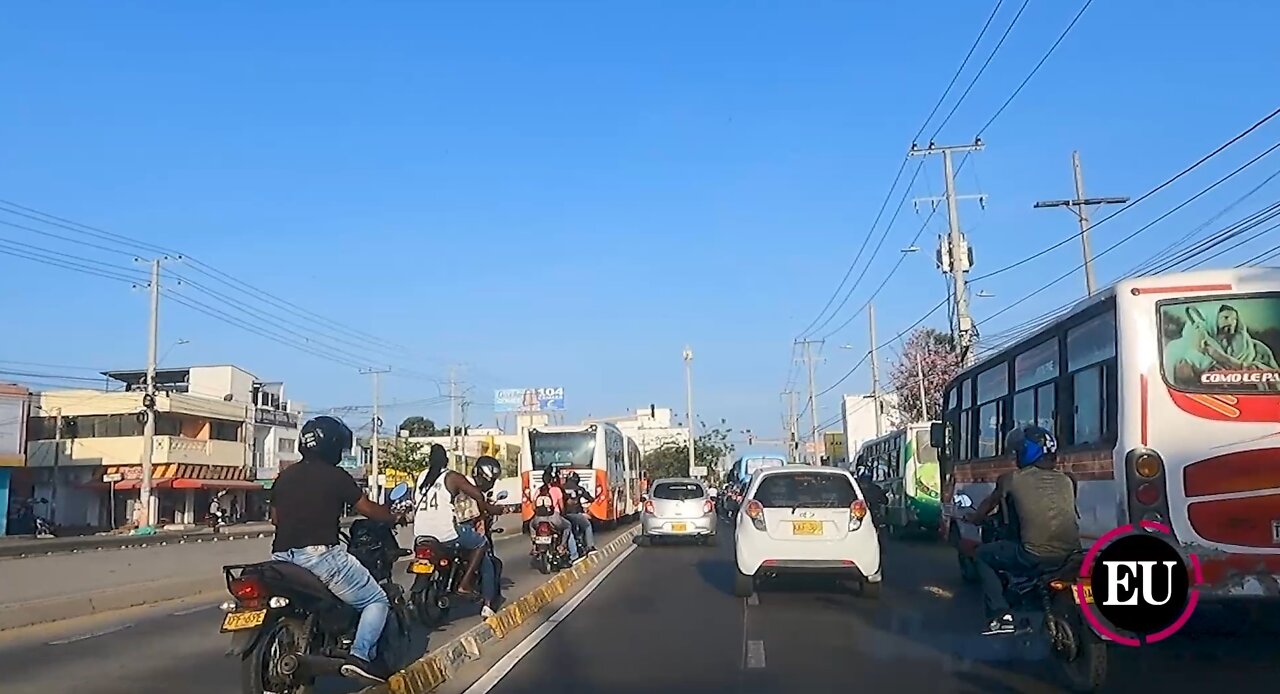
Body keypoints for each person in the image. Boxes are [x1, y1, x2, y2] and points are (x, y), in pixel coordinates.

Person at [268, 415, 398, 684]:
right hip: (319, 557)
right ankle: (360, 656)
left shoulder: (284, 476)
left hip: (281, 557)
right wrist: (391, 516)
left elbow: (275, 518)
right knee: (376, 600)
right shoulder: (336, 476)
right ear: (333, 445)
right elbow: (366, 508)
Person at [964, 425, 1081, 636]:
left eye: (1017, 452)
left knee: (982, 555)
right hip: (1073, 553)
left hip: (1033, 554)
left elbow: (987, 507)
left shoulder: (1010, 479)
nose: (1015, 457)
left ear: (1026, 452)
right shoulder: (1068, 479)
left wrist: (973, 518)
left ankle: (1001, 615)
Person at [414, 444, 506, 617]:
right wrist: (491, 510)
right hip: (445, 531)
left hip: (420, 532)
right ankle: (466, 585)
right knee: (481, 544)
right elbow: (477, 496)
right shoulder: (451, 477)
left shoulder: (421, 477)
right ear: (446, 460)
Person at [527, 467, 577, 562]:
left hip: (538, 519)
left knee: (531, 525)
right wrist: (562, 513)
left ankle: (534, 546)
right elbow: (561, 506)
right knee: (567, 526)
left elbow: (533, 506)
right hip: (554, 518)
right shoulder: (556, 490)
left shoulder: (539, 490)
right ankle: (562, 546)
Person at [561, 471, 596, 555]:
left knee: (568, 530)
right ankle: (590, 547)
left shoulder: (562, 488)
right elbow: (590, 498)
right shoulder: (579, 489)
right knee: (587, 525)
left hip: (564, 514)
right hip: (576, 514)